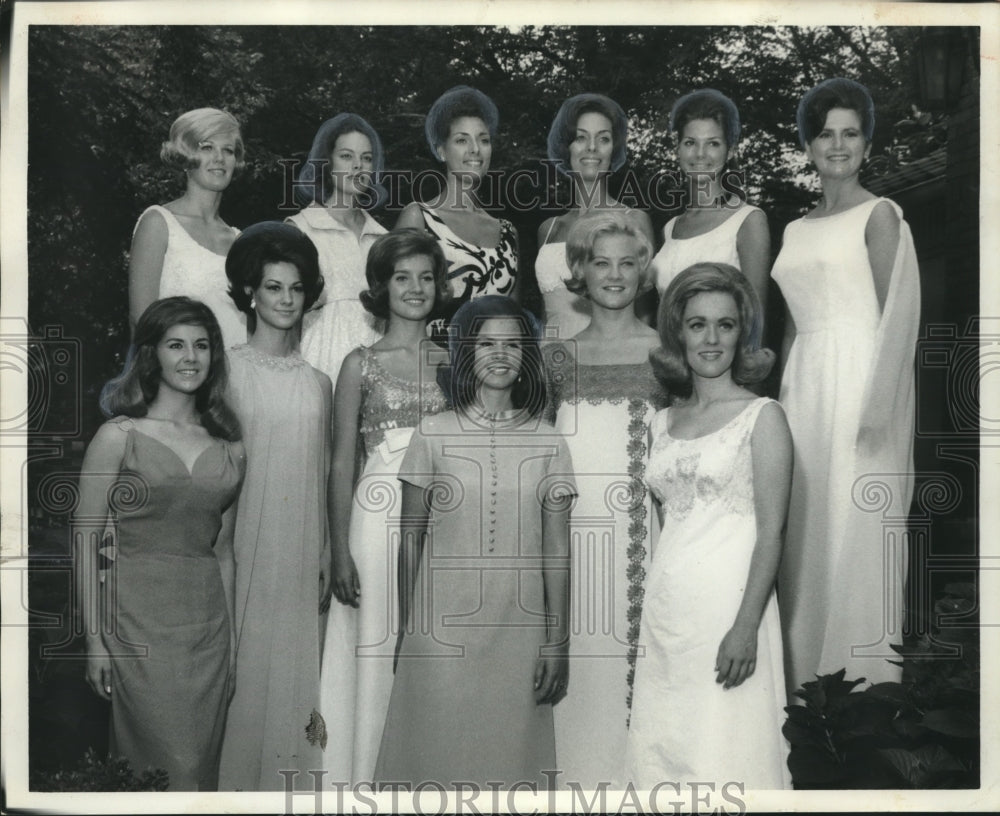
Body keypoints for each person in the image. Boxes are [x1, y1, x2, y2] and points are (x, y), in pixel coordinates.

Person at [374, 296, 575, 790]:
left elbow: (557, 551)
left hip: (520, 628)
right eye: (487, 342)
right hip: (440, 630)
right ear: (465, 351)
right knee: (436, 755)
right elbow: (410, 540)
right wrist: (407, 627)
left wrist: (558, 639)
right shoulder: (431, 434)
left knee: (507, 764)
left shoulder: (550, 442)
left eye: (513, 344)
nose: (500, 354)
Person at [772, 78, 920, 697]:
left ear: (866, 143)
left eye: (850, 133)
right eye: (825, 133)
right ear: (808, 145)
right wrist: (775, 412)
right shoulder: (794, 229)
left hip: (861, 384)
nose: (837, 144)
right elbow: (788, 330)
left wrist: (878, 413)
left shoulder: (879, 216)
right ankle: (801, 689)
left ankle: (862, 696)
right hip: (803, 387)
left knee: (855, 525)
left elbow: (899, 320)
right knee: (804, 530)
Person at [625, 263, 791, 790]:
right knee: (666, 751)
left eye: (725, 324)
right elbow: (663, 526)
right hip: (668, 611)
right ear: (678, 332)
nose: (712, 338)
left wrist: (746, 626)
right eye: (697, 324)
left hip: (730, 611)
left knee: (726, 750)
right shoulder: (660, 422)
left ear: (744, 333)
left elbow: (772, 535)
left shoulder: (764, 416)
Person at [75, 296, 244, 790]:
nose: (191, 357)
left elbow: (225, 552)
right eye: (176, 345)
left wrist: (232, 647)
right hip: (137, 625)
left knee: (198, 774)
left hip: (208, 631)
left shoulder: (231, 448)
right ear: (152, 354)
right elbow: (86, 542)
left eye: (202, 345)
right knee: (157, 772)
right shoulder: (118, 436)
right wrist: (93, 640)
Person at [320, 230, 450, 785]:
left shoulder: (455, 362)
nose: (415, 288)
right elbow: (341, 462)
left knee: (434, 645)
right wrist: (339, 552)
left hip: (445, 518)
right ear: (380, 286)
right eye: (402, 277)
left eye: (426, 277)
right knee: (376, 647)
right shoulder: (359, 364)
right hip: (376, 521)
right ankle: (364, 779)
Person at [542, 211, 665, 789]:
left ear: (644, 271)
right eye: (600, 261)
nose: (614, 275)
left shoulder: (668, 352)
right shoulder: (555, 358)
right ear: (580, 271)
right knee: (575, 684)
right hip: (569, 550)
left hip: (644, 550)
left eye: (627, 262)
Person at [217, 222, 334, 791]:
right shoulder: (225, 372)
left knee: (296, 670)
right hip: (242, 542)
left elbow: (325, 467)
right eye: (273, 288)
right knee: (243, 666)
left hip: (302, 542)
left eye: (295, 288)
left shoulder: (320, 382)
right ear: (249, 293)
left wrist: (328, 549)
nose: (286, 300)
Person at [395, 86, 519, 334]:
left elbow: (514, 319)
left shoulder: (507, 233)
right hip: (432, 365)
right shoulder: (419, 218)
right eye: (462, 140)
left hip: (494, 367)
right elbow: (394, 303)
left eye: (483, 140)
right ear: (441, 151)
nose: (475, 149)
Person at [536, 93, 655, 339]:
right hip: (552, 362)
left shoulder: (634, 221)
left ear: (615, 148)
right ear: (565, 146)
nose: (592, 147)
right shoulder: (548, 229)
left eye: (604, 139)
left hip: (612, 361)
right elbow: (546, 314)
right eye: (580, 137)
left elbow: (644, 314)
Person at [128, 108, 246, 349]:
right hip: (180, 376)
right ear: (186, 154)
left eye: (228, 150)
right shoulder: (159, 223)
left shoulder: (240, 240)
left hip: (238, 377)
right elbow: (140, 321)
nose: (219, 158)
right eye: (207, 147)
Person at [289, 113, 389, 389]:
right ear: (327, 162)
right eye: (347, 156)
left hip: (377, 372)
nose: (358, 166)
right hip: (317, 367)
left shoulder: (384, 239)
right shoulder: (301, 229)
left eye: (367, 158)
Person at [649, 90, 770, 316]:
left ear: (730, 150)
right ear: (677, 149)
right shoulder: (670, 228)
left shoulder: (748, 221)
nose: (700, 154)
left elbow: (757, 317)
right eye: (690, 143)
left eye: (713, 143)